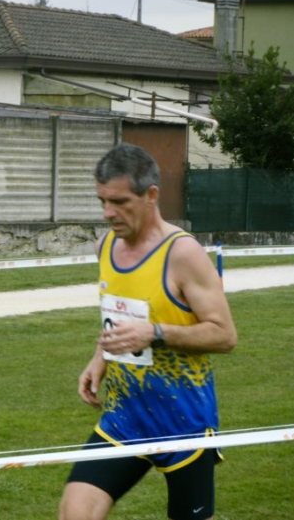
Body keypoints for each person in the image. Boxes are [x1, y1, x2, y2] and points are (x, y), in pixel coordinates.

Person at [59, 144, 237, 520]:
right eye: (102, 201)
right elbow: (119, 313)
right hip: (124, 417)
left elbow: (224, 336)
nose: (108, 212)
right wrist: (99, 358)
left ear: (151, 194)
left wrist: (155, 332)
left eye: (120, 201)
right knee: (75, 512)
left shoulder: (183, 254)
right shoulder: (105, 247)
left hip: (184, 421)